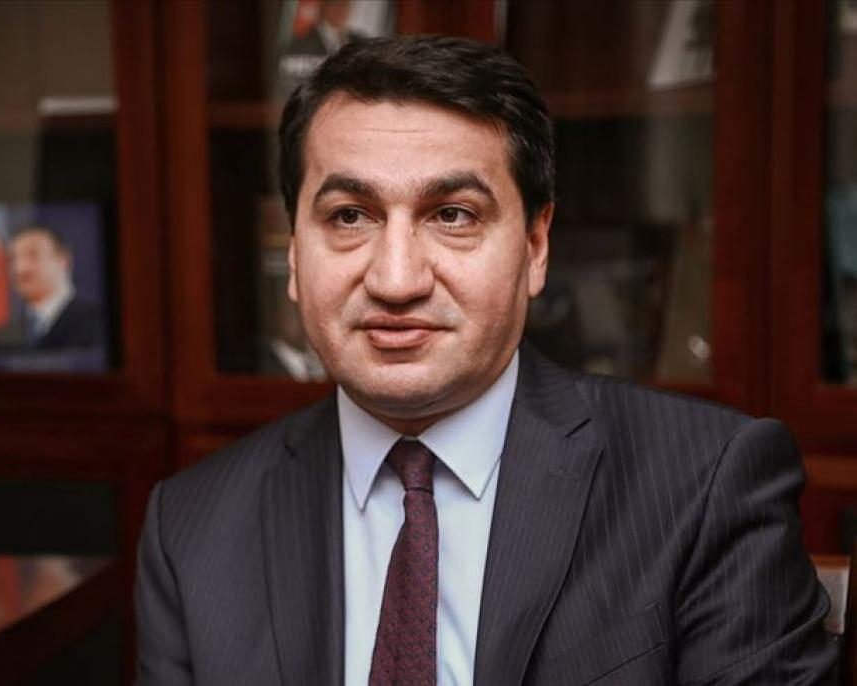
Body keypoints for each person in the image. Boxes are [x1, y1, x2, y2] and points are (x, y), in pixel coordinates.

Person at [135, 36, 838, 685]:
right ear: (293, 255)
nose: (397, 279)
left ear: (535, 247)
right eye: (349, 215)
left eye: (453, 215)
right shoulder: (191, 527)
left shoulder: (705, 485)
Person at [4, 226, 104, 351]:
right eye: (13, 259)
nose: (21, 268)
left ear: (63, 260)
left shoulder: (98, 322)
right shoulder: (6, 334)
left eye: (33, 255)